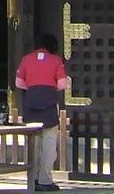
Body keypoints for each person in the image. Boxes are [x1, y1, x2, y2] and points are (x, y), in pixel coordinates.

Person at [15, 34, 69, 193]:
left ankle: (32, 178)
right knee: (49, 144)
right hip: (49, 104)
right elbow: (62, 84)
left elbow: (18, 82)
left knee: (33, 143)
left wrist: (33, 88)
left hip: (30, 103)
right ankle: (45, 180)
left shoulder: (26, 59)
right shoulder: (56, 60)